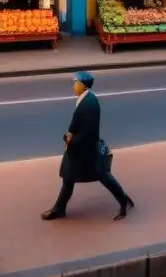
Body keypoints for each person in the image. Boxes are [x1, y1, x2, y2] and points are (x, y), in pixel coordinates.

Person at [41, 71, 134, 222]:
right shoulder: (86, 99)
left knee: (102, 176)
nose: (73, 86)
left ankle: (123, 201)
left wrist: (71, 140)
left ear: (82, 85)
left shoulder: (89, 104)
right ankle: (59, 209)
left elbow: (89, 131)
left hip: (85, 151)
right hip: (82, 149)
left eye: (75, 83)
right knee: (69, 177)